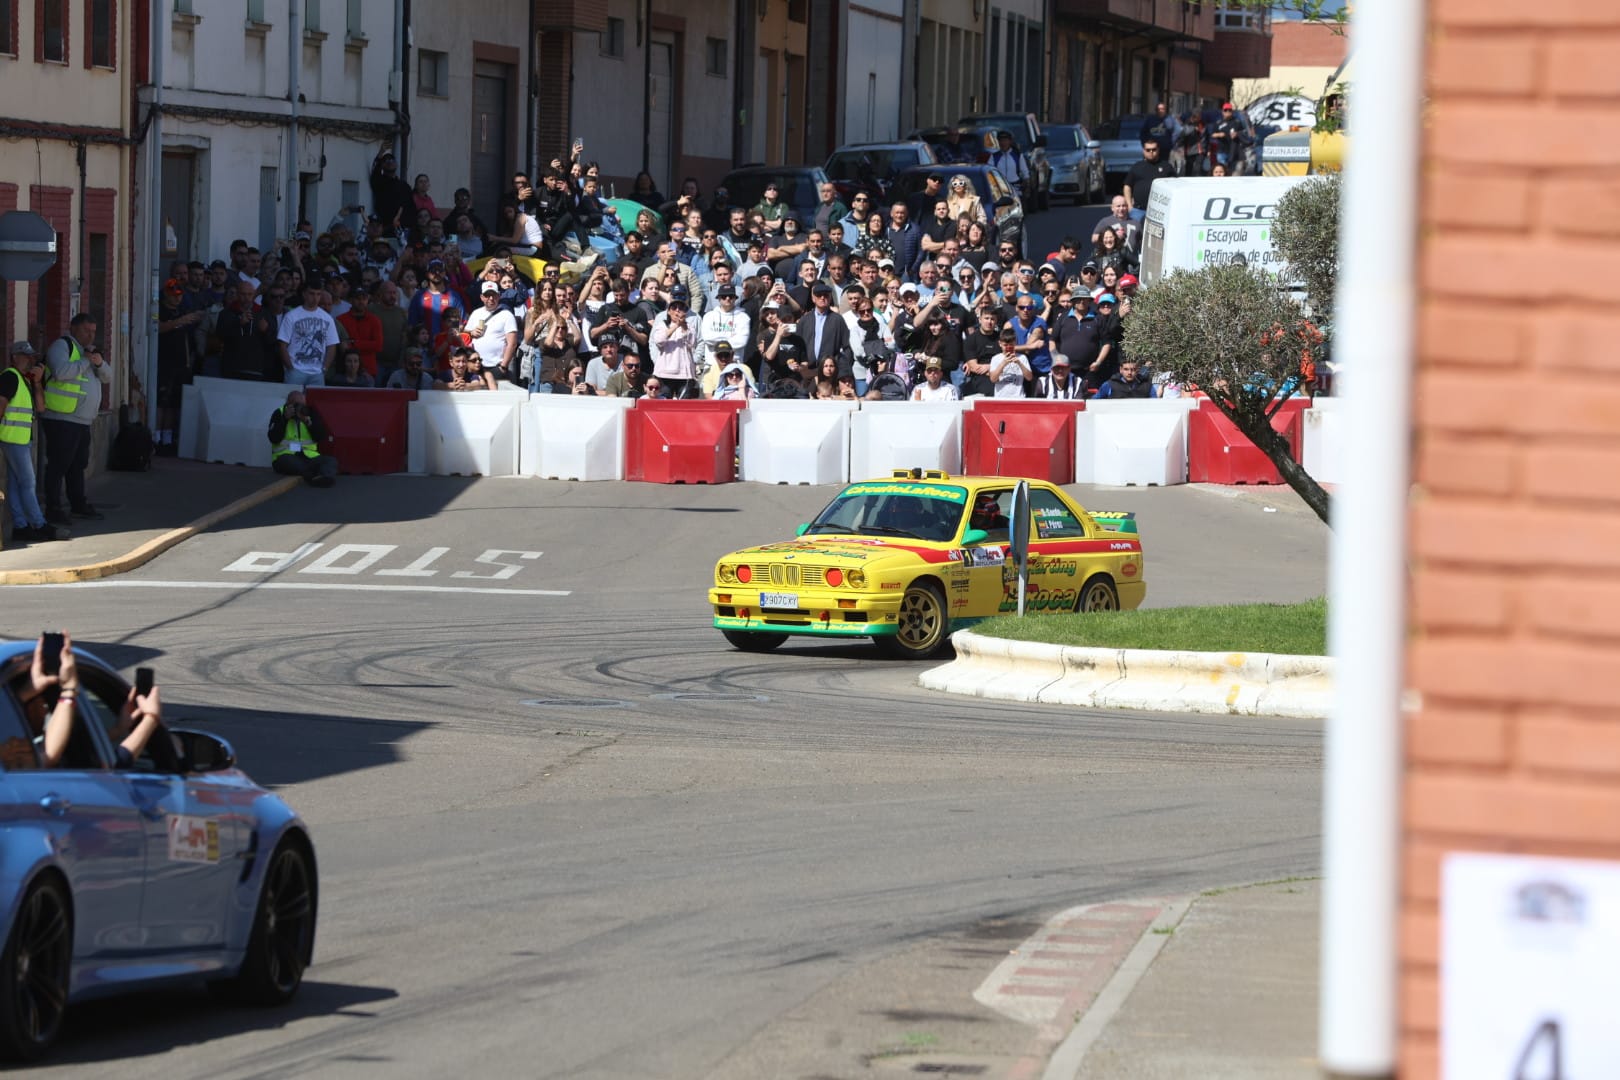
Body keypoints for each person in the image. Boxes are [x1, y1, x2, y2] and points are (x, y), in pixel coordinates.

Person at [40, 313, 112, 526]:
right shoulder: (62, 346)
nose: (90, 336)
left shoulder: (90, 352)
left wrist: (99, 363)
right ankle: (53, 508)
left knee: (77, 465)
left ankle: (78, 504)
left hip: (82, 420)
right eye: (86, 331)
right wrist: (85, 361)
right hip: (62, 418)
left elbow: (107, 377)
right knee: (59, 465)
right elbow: (61, 372)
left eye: (93, 332)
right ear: (73, 328)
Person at [1, 342, 67, 543]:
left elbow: (40, 407)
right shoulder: (10, 376)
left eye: (32, 356)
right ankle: (39, 524)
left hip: (21, 439)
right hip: (12, 438)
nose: (31, 360)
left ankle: (20, 526)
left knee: (15, 484)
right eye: (26, 356)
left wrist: (37, 382)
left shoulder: (26, 380)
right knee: (28, 482)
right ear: (14, 357)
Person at [267, 391, 338, 486]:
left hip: (308, 456)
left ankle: (326, 478)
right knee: (291, 462)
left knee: (331, 460)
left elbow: (320, 437)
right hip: (285, 455)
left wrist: (309, 424)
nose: (300, 408)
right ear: (288, 404)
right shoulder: (279, 413)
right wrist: (285, 419)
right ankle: (314, 476)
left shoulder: (309, 413)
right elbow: (273, 438)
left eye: (302, 405)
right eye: (297, 405)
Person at [466, 280, 520, 386]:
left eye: (493, 295)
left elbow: (512, 343)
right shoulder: (476, 313)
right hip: (476, 366)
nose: (491, 298)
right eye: (487, 295)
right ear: (482, 297)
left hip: (496, 366)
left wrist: (503, 366)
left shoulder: (507, 315)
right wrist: (471, 332)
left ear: (498, 296)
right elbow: (465, 334)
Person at [651, 286, 698, 398]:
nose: (677, 310)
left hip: (684, 374)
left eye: (681, 308)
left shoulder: (690, 327)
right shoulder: (662, 325)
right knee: (664, 404)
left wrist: (684, 327)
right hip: (664, 373)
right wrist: (676, 325)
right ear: (669, 311)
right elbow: (659, 341)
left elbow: (692, 343)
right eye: (674, 307)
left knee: (684, 404)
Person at [1123, 139, 1174, 216]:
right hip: (1138, 211)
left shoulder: (1167, 167)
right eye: (1148, 150)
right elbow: (1127, 186)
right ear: (1143, 151)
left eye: (1154, 149)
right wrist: (1129, 206)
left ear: (1158, 150)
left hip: (1160, 211)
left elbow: (1174, 186)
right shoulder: (1137, 166)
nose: (1151, 152)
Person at [990, 328, 1032, 398]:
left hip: (1018, 397)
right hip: (1000, 397)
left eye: (1011, 345)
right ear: (1000, 344)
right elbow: (993, 379)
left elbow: (1029, 378)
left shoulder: (1022, 358)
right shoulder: (995, 358)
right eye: (1005, 345)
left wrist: (1019, 363)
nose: (1008, 347)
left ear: (1015, 343)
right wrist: (1003, 363)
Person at [988, 130, 1030, 199]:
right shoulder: (994, 157)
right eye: (1001, 141)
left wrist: (1027, 186)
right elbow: (989, 172)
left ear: (1010, 141)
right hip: (1000, 189)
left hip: (1016, 188)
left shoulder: (1018, 155)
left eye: (1005, 140)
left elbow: (1025, 172)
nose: (1003, 143)